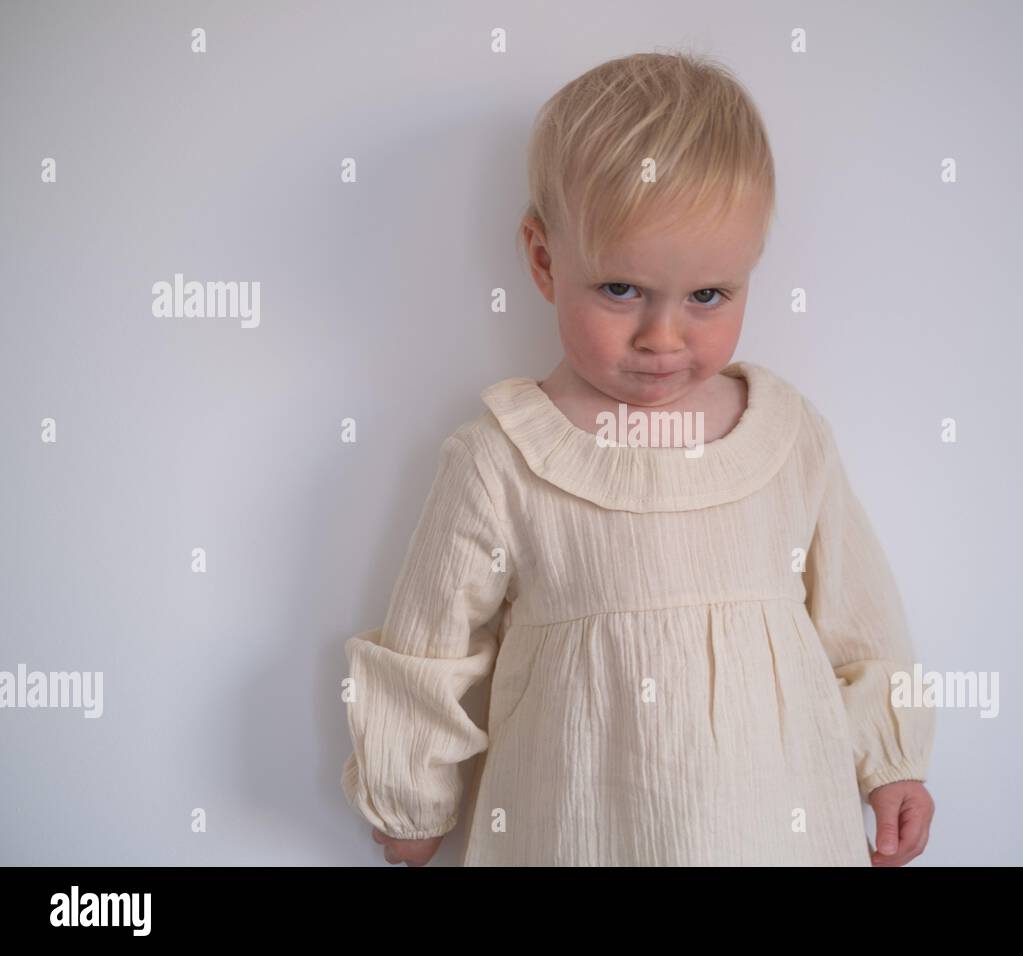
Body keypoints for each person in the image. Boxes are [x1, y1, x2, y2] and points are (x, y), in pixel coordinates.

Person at [341, 50, 936, 866]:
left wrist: (891, 760)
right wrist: (410, 797)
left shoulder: (787, 437)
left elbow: (860, 620)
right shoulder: (502, 458)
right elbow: (431, 642)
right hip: (578, 825)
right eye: (622, 290)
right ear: (546, 260)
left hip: (778, 824)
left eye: (708, 297)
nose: (664, 338)